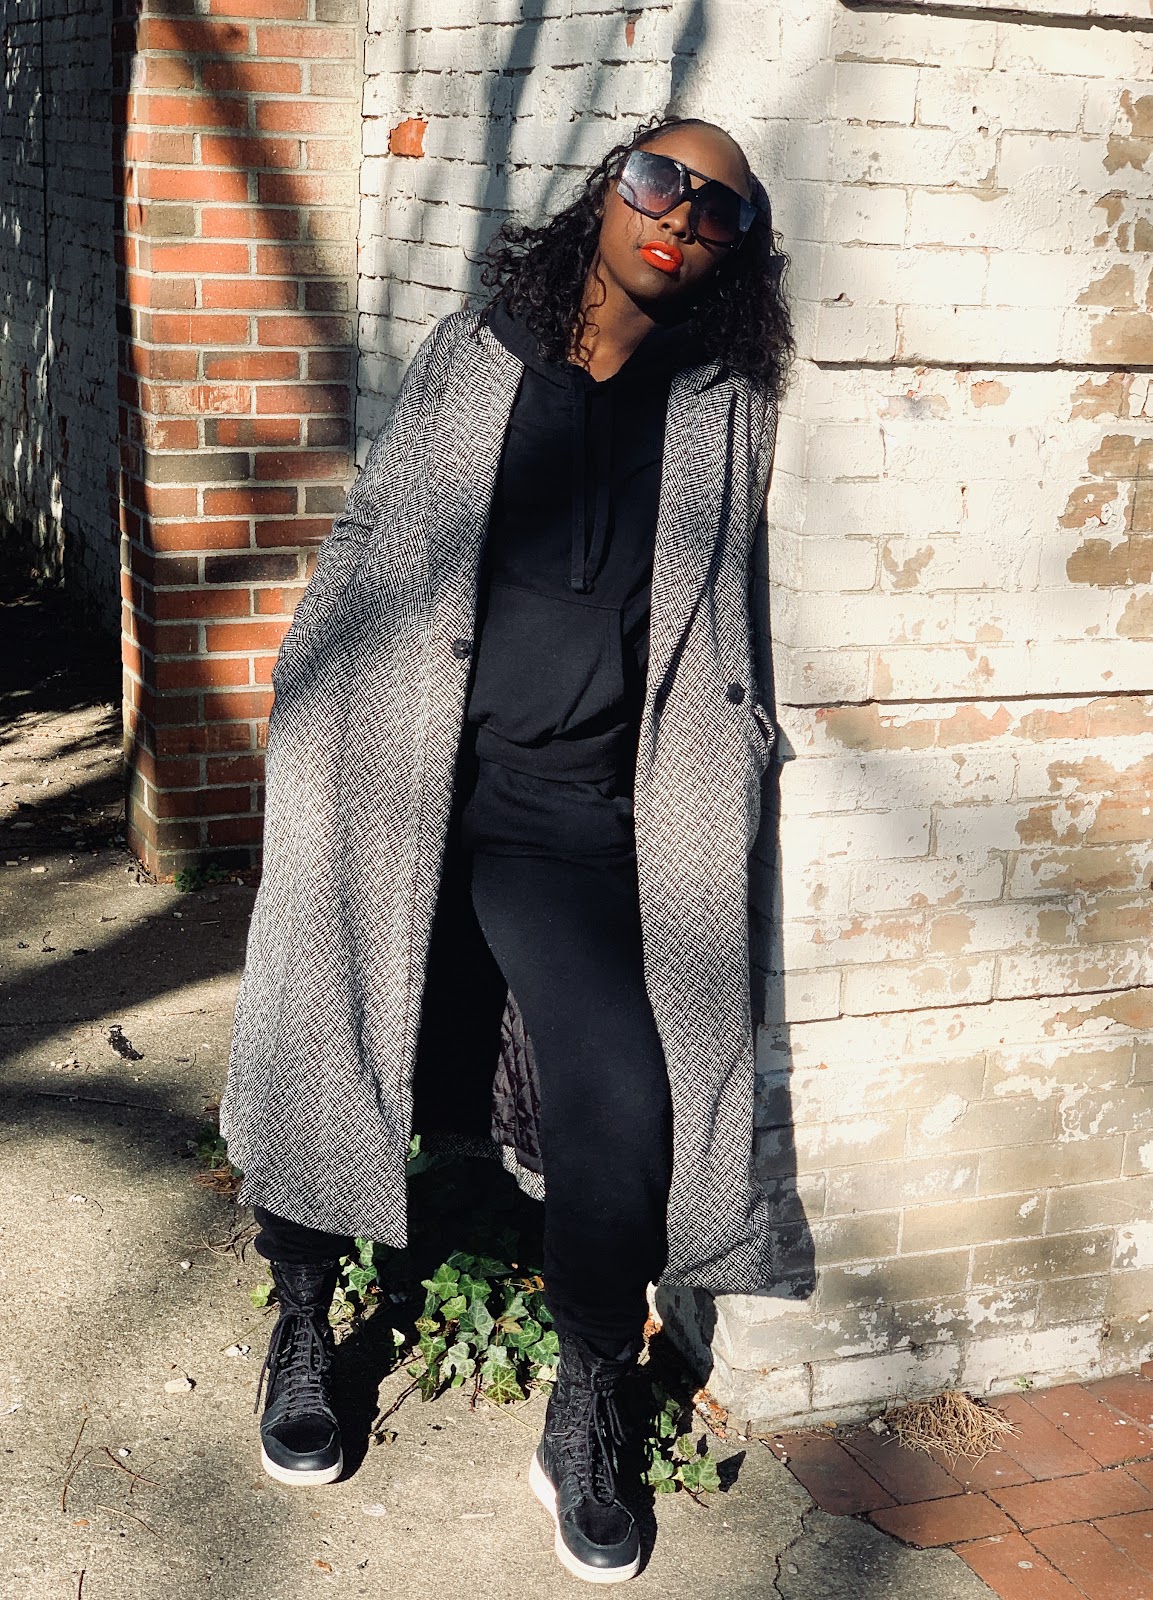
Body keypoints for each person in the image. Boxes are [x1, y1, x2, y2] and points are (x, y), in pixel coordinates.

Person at [219, 113, 794, 1584]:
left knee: (627, 1103)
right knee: (324, 1030)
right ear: (606, 192)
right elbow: (374, 548)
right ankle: (304, 1318)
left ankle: (589, 1396)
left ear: (736, 252)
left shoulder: (721, 404)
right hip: (405, 772)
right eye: (659, 180)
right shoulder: (477, 355)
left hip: (575, 820)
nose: (681, 216)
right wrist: (312, 715)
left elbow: (721, 625)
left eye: (719, 209)